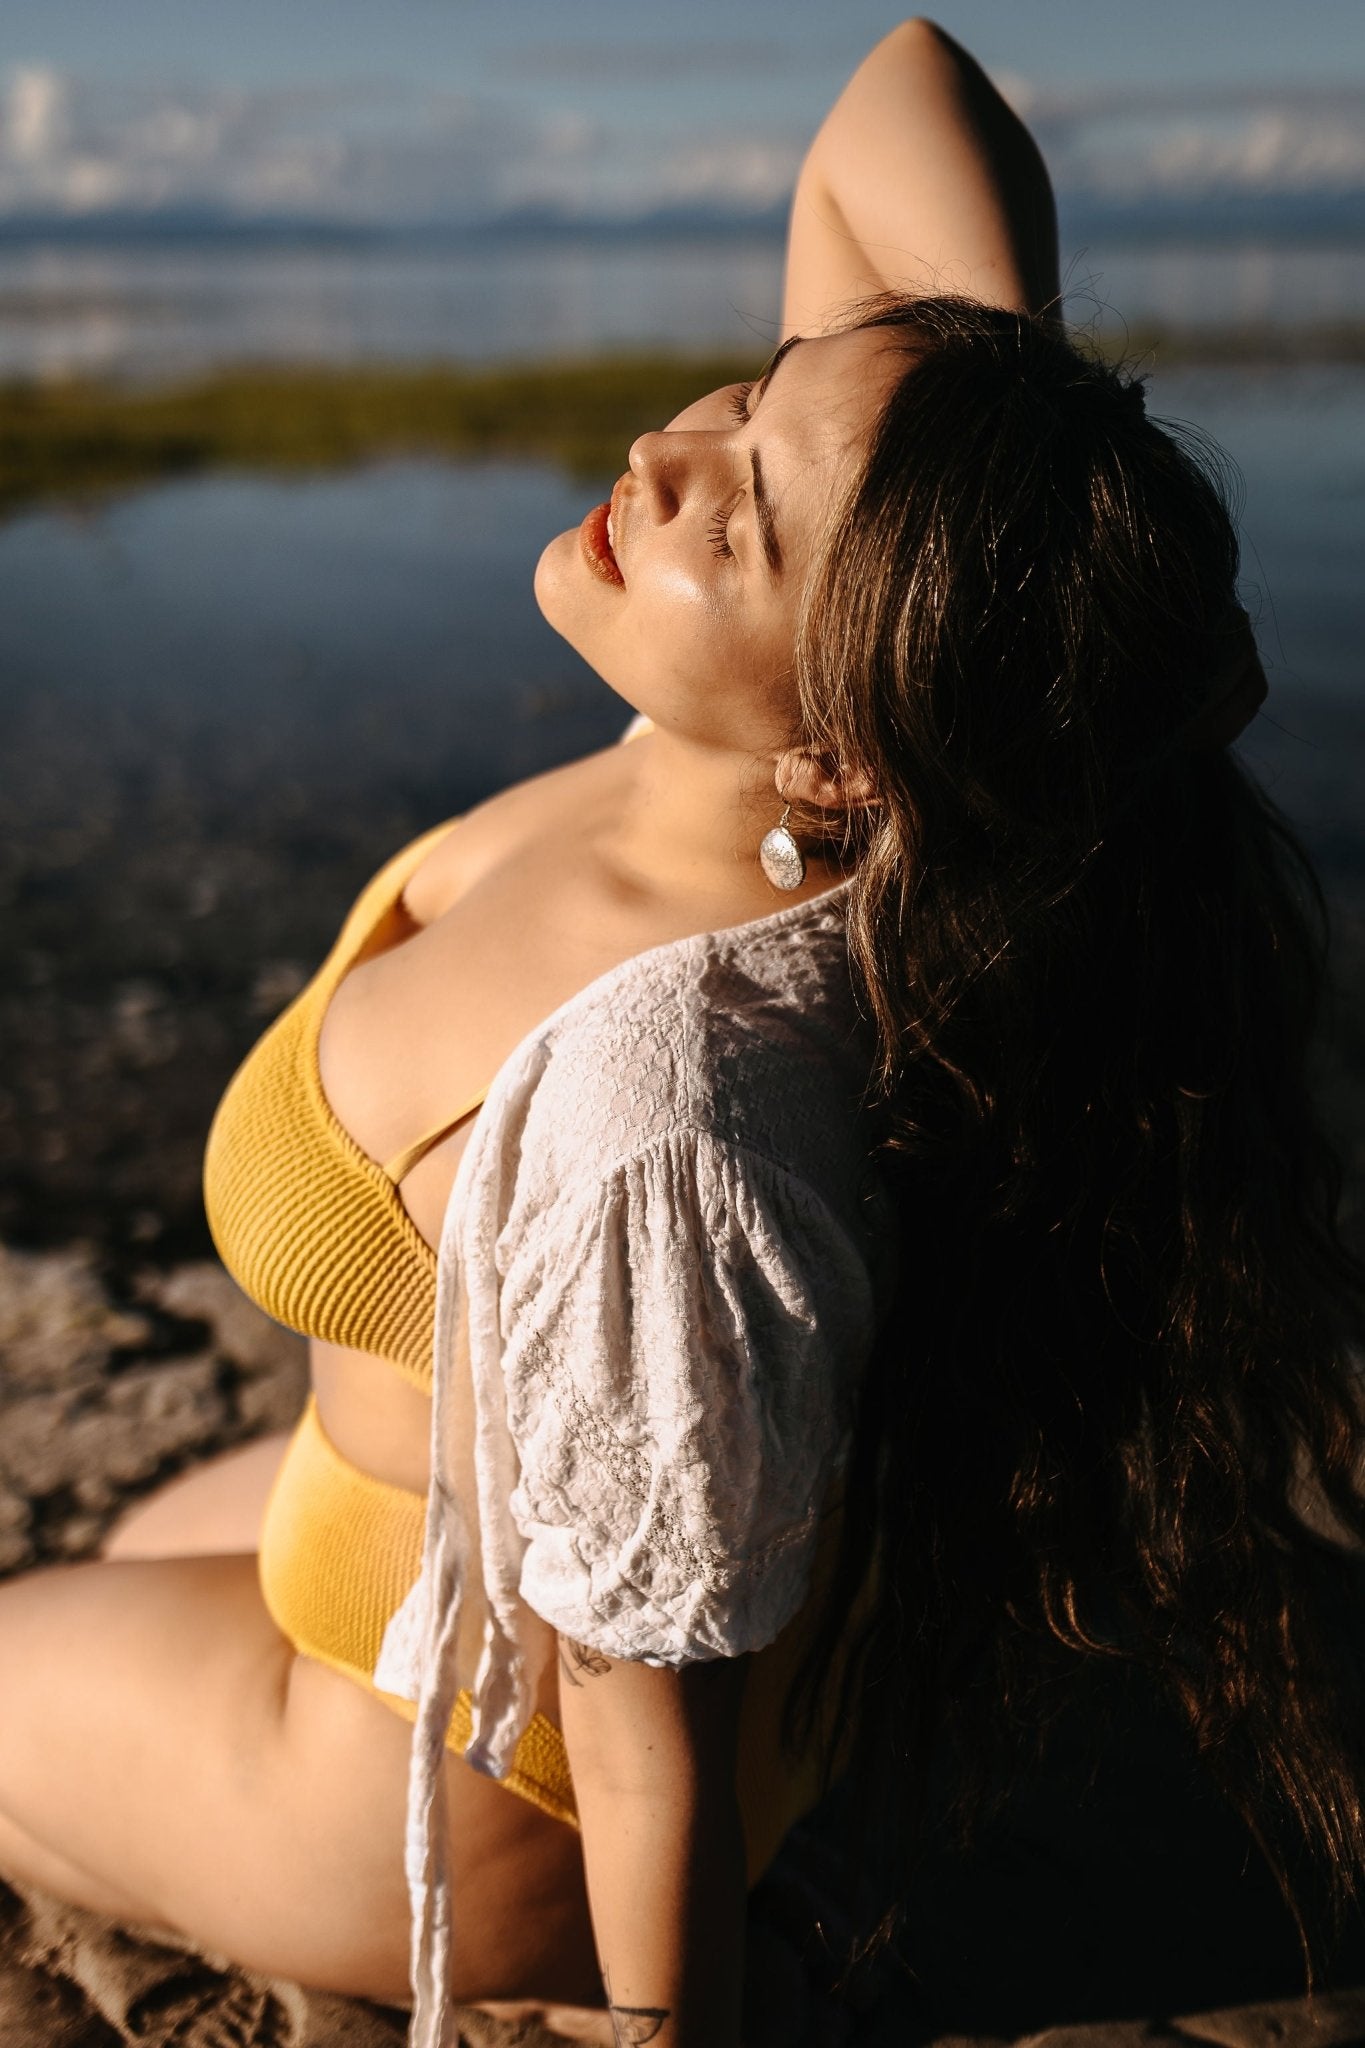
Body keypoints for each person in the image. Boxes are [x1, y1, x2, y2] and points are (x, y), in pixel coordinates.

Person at [1, 19, 1363, 2048]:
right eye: (740, 400)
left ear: (854, 735)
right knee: (120, 1542)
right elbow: (897, 89)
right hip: (396, 1531)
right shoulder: (769, 740)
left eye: (742, 518)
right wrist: (991, 448)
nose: (661, 460)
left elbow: (650, 1738)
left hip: (465, 1795)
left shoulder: (662, 1108)